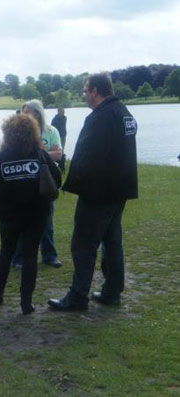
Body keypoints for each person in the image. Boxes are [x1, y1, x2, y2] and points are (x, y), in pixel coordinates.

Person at [48, 72, 138, 311]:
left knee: (83, 245)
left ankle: (78, 297)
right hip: (119, 191)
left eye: (86, 90)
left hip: (99, 193)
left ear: (96, 91)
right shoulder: (124, 113)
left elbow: (86, 156)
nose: (84, 95)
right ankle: (112, 291)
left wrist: (72, 183)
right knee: (112, 241)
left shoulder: (99, 118)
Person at [0, 114, 61, 314]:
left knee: (6, 253)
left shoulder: (0, 159)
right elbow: (57, 180)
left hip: (9, 216)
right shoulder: (40, 155)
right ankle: (26, 303)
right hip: (37, 215)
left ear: (7, 135)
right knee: (30, 256)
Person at [11, 100, 63, 269]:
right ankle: (18, 258)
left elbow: (58, 154)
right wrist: (46, 154)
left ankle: (49, 255)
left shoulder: (51, 131)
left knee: (47, 220)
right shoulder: (18, 133)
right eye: (22, 112)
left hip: (45, 182)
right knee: (20, 219)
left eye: (26, 112)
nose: (23, 115)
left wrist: (37, 154)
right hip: (24, 181)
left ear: (37, 114)